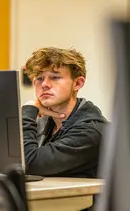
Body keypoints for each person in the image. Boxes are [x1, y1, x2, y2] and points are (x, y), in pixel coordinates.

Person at [21, 47, 108, 178]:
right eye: (39, 78)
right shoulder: (45, 122)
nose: (45, 84)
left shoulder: (90, 131)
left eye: (55, 77)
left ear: (77, 83)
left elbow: (29, 164)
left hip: (84, 199)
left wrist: (28, 110)